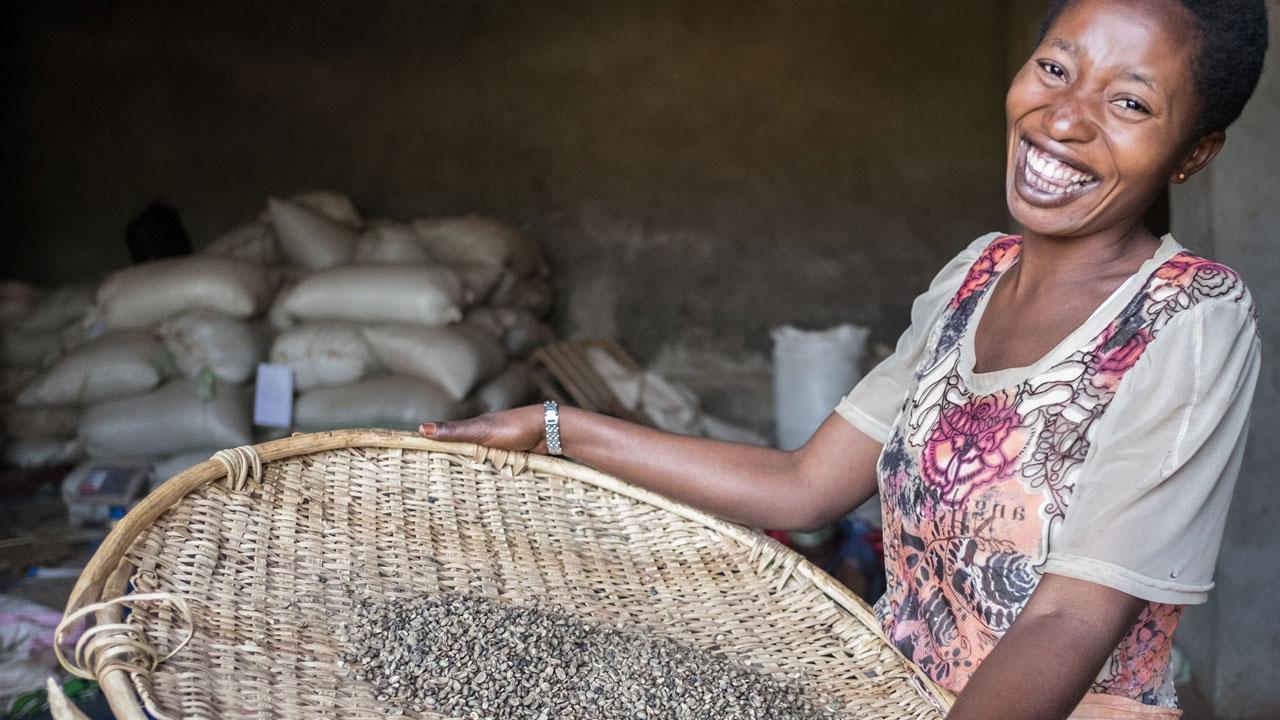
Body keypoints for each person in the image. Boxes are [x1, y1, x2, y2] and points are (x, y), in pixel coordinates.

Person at [420, 0, 1270, 717]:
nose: (1064, 118)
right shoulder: (974, 278)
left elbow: (1069, 621)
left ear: (1193, 152)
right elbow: (804, 484)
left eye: (1129, 103)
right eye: (1055, 68)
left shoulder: (1191, 319)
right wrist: (556, 427)